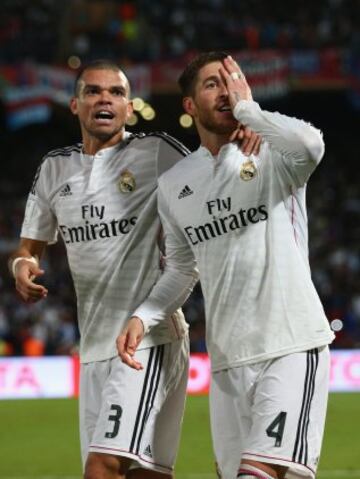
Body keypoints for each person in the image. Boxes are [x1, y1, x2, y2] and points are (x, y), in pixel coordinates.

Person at [9, 59, 260, 479]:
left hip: (149, 338)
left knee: (102, 467)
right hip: (93, 348)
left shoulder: (156, 151)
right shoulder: (54, 168)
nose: (105, 99)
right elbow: (29, 247)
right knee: (148, 474)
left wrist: (244, 131)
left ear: (129, 108)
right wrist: (22, 265)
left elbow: (215, 172)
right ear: (75, 105)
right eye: (93, 91)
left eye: (117, 93)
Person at [118, 52, 335, 479]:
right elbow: (181, 270)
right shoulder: (175, 184)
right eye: (212, 84)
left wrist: (251, 112)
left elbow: (312, 144)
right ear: (190, 105)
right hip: (226, 362)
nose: (227, 90)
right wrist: (143, 317)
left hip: (289, 344)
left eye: (232, 80)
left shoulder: (274, 153)